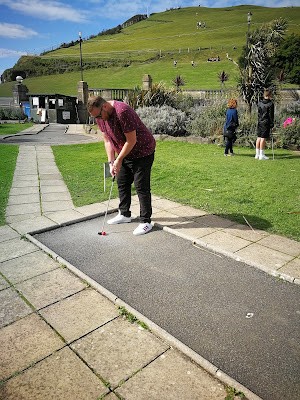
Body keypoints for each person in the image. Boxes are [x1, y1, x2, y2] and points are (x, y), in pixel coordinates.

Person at [87, 96, 156, 236]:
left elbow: (131, 140)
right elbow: (107, 141)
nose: (99, 119)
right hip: (124, 153)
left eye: (99, 115)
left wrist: (119, 160)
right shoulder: (100, 117)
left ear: (104, 106)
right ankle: (124, 214)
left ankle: (146, 221)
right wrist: (112, 162)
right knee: (122, 182)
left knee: (141, 186)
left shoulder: (122, 112)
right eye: (96, 117)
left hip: (142, 151)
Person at [255, 89, 274, 160]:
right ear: (270, 95)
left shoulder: (260, 103)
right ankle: (261, 155)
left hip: (260, 121)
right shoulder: (270, 104)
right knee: (263, 138)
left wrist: (259, 120)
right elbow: (271, 115)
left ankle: (257, 154)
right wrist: (272, 124)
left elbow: (258, 113)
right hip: (266, 122)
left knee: (259, 137)